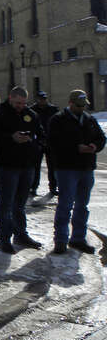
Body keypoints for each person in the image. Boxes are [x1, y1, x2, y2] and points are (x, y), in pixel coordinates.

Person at [49, 90, 106, 254]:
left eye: (84, 105)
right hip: (67, 168)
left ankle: (78, 239)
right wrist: (75, 148)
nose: (82, 108)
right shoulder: (58, 120)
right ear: (71, 103)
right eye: (79, 105)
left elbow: (101, 138)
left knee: (82, 205)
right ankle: (60, 240)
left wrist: (94, 147)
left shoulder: (89, 119)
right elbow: (53, 143)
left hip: (86, 168)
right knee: (65, 204)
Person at [0, 86, 44, 254]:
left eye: (23, 103)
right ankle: (4, 238)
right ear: (10, 98)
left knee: (20, 204)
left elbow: (41, 136)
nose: (21, 106)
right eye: (18, 103)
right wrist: (11, 138)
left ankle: (21, 234)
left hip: (27, 164)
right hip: (8, 165)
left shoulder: (31, 115)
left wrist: (33, 142)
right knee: (6, 204)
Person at [30, 91, 60, 197]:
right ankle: (33, 187)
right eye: (41, 98)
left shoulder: (53, 109)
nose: (43, 100)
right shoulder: (32, 110)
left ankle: (53, 186)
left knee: (52, 166)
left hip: (50, 140)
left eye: (44, 98)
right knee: (36, 166)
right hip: (38, 140)